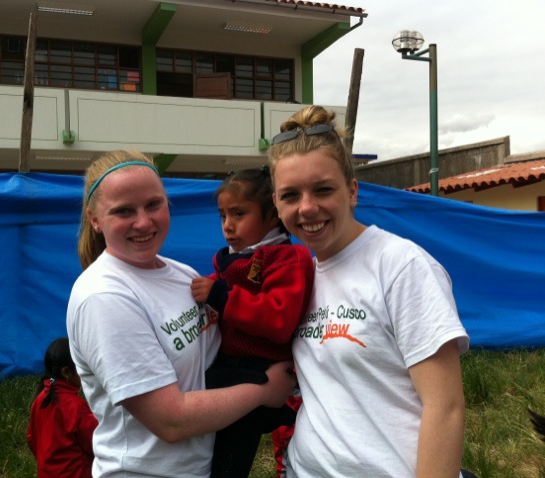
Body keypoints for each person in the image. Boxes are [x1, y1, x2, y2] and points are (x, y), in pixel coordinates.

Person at [66, 150, 296, 478]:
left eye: (153, 205)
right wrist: (264, 390)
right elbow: (171, 420)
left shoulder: (183, 275)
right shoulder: (104, 297)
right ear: (95, 219)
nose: (143, 222)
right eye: (124, 211)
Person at [267, 105, 470, 478]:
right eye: (291, 195)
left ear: (352, 190)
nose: (307, 208)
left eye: (323, 189)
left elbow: (446, 407)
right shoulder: (298, 277)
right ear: (276, 204)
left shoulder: (399, 266)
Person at [190, 167, 314, 478]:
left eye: (238, 214)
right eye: (222, 216)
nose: (228, 226)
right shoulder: (233, 257)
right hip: (230, 365)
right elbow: (217, 283)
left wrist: (223, 298)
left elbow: (280, 318)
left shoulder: (286, 258)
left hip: (261, 370)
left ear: (272, 216)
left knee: (233, 454)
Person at [27, 337, 98, 478]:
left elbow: (31, 439)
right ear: (67, 372)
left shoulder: (40, 400)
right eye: (82, 366)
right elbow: (97, 443)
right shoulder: (77, 408)